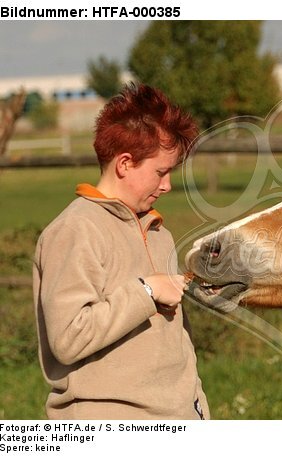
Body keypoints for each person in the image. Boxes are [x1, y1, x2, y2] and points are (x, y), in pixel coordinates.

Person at [32, 83, 210, 420]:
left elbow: (179, 345)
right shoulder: (76, 230)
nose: (168, 185)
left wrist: (197, 409)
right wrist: (145, 291)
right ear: (125, 163)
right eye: (161, 171)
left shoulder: (160, 232)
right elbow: (69, 337)